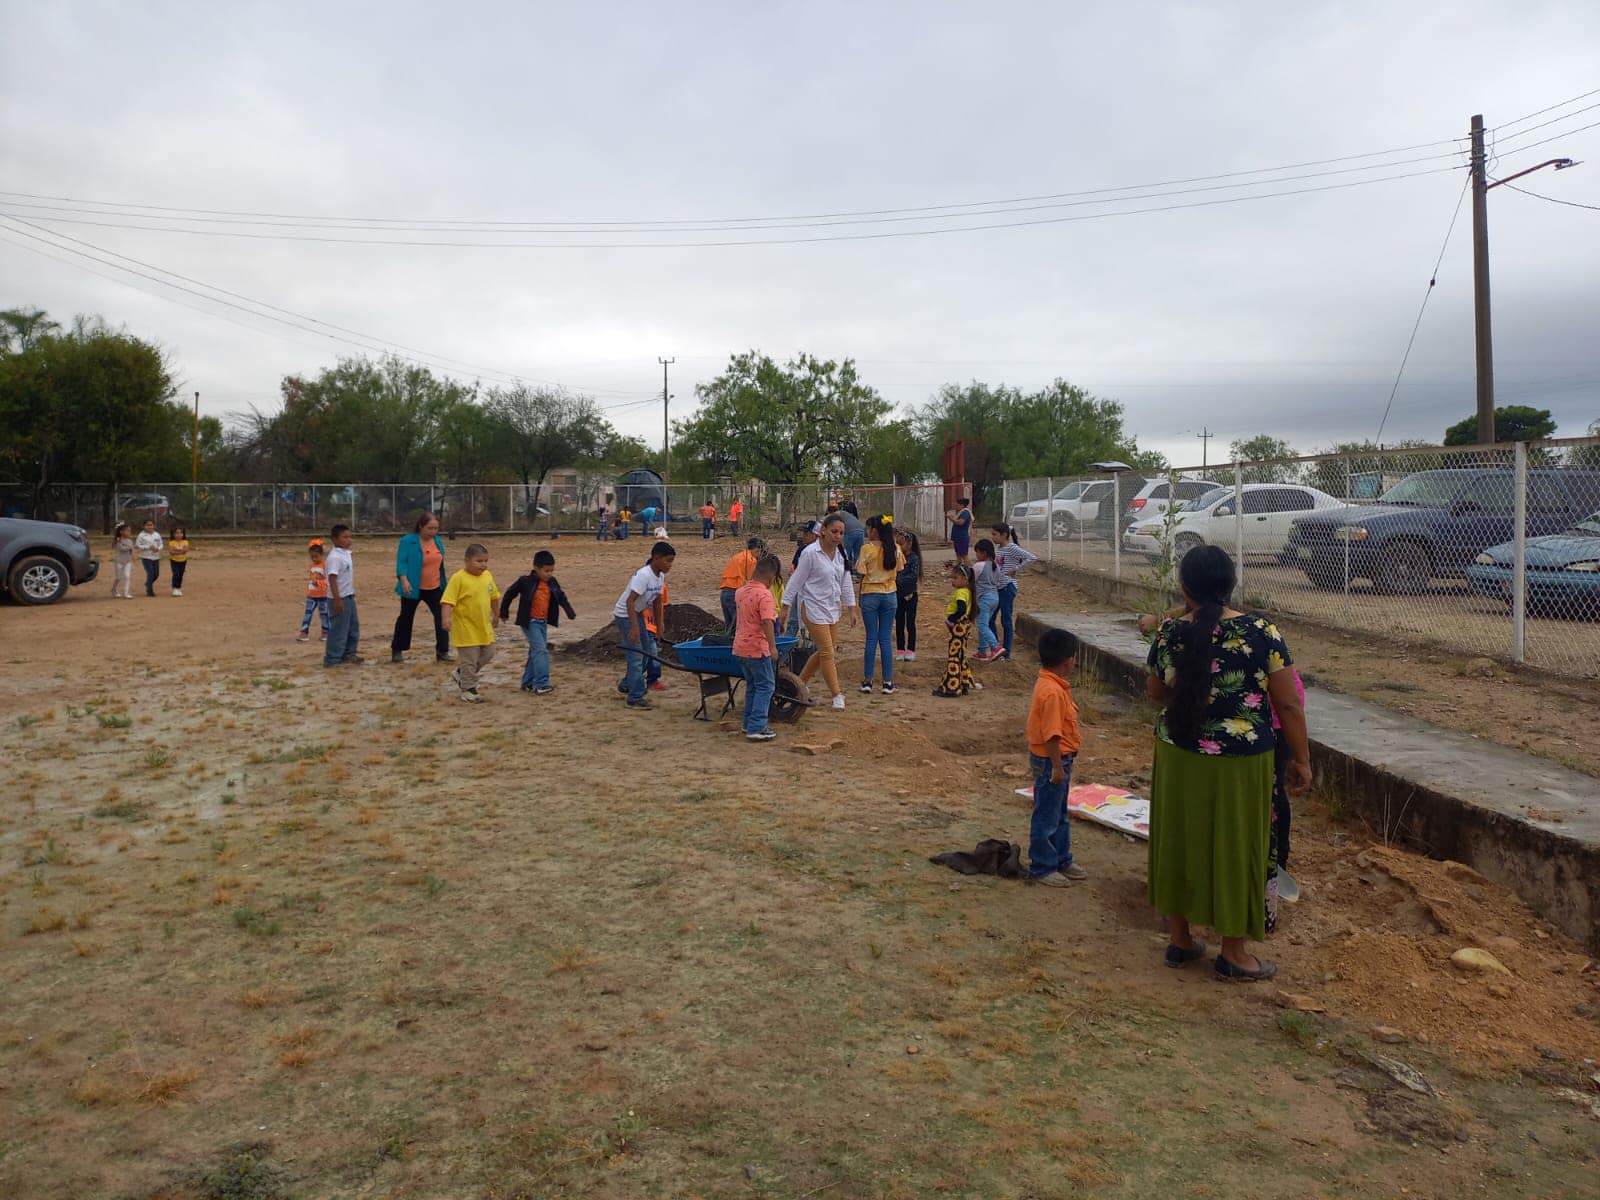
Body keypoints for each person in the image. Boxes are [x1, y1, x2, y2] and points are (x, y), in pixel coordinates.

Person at [1145, 546, 1311, 981]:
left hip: (1178, 754)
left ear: (1184, 587)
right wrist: (1303, 760)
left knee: (1179, 838)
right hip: (1241, 762)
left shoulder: (1168, 632)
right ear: (1231, 583)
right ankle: (1234, 953)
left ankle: (1180, 940)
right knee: (1239, 845)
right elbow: (1288, 703)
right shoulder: (1261, 631)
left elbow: (1156, 694)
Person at [1025, 628, 1086, 886]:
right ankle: (1043, 866)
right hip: (1052, 761)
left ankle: (1062, 858)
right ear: (1068, 661)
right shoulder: (1052, 692)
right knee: (1047, 815)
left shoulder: (1055, 686)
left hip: (1058, 760)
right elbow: (1051, 735)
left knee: (1059, 813)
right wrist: (1057, 768)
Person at [779, 513, 857, 711]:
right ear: (823, 531)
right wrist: (785, 606)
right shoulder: (810, 553)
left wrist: (851, 607)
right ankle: (837, 694)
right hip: (812, 606)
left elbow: (846, 581)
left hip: (832, 607)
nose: (837, 536)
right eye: (834, 531)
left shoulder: (841, 554)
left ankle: (799, 684)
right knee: (828, 652)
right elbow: (796, 581)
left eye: (841, 533)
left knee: (824, 651)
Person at [500, 549, 576, 695]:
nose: (549, 574)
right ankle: (541, 684)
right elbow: (510, 594)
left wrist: (569, 611)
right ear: (536, 568)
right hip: (529, 622)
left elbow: (560, 596)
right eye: (546, 571)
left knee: (535, 651)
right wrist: (504, 612)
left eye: (551, 571)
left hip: (542, 622)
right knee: (541, 650)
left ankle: (528, 682)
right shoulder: (525, 581)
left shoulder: (552, 582)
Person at [613, 541, 675, 710]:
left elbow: (657, 601)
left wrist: (659, 623)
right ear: (656, 558)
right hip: (626, 615)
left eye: (671, 561)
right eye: (667, 561)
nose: (670, 565)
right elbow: (629, 602)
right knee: (636, 656)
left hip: (638, 614)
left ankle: (627, 684)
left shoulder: (660, 576)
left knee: (648, 654)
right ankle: (635, 697)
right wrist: (634, 628)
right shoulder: (644, 575)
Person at [441, 543, 500, 702]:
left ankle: (461, 673)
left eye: (485, 561)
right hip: (465, 628)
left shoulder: (487, 576)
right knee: (470, 659)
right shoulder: (458, 578)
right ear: (466, 560)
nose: (483, 565)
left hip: (483, 626)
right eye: (479, 561)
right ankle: (468, 689)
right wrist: (445, 618)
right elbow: (448, 601)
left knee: (489, 652)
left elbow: (494, 597)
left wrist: (496, 614)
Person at [734, 552, 782, 741]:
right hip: (757, 647)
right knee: (766, 686)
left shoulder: (741, 591)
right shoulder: (765, 595)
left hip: (740, 647)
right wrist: (773, 647)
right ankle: (757, 726)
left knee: (753, 686)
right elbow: (767, 622)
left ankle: (748, 723)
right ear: (770, 578)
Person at [391, 512, 450, 665]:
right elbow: (401, 562)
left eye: (436, 528)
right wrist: (404, 580)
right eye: (430, 528)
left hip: (435, 587)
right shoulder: (408, 541)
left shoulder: (437, 540)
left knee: (442, 617)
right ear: (420, 526)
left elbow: (440, 563)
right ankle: (397, 650)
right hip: (413, 587)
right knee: (405, 617)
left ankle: (442, 651)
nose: (433, 532)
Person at [855, 515, 899, 695]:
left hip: (870, 595)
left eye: (869, 528)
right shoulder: (895, 548)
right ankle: (888, 682)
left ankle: (868, 681)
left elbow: (860, 571)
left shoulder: (867, 549)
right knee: (886, 639)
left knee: (871, 638)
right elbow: (899, 568)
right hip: (890, 595)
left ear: (874, 530)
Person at [990, 523, 1037, 660]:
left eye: (994, 534)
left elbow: (1032, 558)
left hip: (1007, 587)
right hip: (998, 588)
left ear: (1004, 535)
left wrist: (1017, 569)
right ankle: (997, 649)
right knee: (990, 619)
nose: (992, 537)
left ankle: (1007, 652)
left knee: (1006, 620)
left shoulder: (1011, 548)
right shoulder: (999, 548)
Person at [933, 563, 976, 698]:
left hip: (958, 626)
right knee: (961, 655)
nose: (952, 581)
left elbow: (961, 609)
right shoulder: (968, 591)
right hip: (965, 626)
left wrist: (951, 619)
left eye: (955, 578)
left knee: (954, 656)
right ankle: (964, 683)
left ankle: (952, 687)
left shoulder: (961, 592)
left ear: (964, 578)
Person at [323, 524, 362, 667]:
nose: (348, 540)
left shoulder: (346, 554)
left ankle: (349, 654)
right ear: (335, 539)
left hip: (349, 596)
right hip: (339, 598)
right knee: (339, 629)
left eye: (349, 536)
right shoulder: (334, 557)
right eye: (344, 537)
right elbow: (332, 579)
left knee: (353, 627)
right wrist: (337, 600)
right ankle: (332, 659)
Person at [717, 536, 766, 629]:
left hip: (725, 593)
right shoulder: (750, 560)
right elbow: (749, 582)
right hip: (734, 593)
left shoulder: (739, 556)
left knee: (730, 626)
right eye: (758, 551)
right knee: (739, 627)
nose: (759, 554)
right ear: (757, 549)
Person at [971, 539, 1003, 662]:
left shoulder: (979, 565)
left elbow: (970, 578)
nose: (977, 555)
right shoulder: (996, 567)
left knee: (982, 625)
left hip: (984, 598)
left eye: (977, 552)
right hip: (995, 598)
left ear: (984, 553)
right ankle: (982, 651)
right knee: (985, 624)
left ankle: (995, 647)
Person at [893, 527, 922, 662]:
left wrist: (897, 580)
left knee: (910, 623)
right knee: (899, 623)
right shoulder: (897, 557)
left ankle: (910, 649)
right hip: (897, 595)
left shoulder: (914, 558)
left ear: (909, 544)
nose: (898, 546)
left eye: (901, 544)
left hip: (910, 595)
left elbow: (913, 576)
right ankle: (900, 649)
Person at [786, 523, 818, 637]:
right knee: (794, 620)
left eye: (807, 534)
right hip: (800, 589)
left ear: (815, 535)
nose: (804, 536)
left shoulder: (821, 551)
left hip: (814, 592)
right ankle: (786, 647)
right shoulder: (802, 549)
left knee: (814, 621)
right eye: (804, 533)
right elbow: (794, 567)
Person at [297, 539, 331, 642]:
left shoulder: (325, 565)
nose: (314, 559)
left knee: (324, 614)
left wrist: (319, 583)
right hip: (311, 595)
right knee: (307, 613)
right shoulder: (311, 566)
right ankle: (304, 632)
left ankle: (326, 632)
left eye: (316, 556)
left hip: (323, 595)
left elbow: (328, 580)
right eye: (312, 557)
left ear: (322, 554)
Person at [135, 518, 163, 597]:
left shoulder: (157, 534)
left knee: (156, 574)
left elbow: (161, 544)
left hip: (156, 557)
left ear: (153, 525)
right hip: (146, 557)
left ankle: (148, 583)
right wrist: (147, 547)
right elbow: (137, 545)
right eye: (147, 525)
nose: (149, 526)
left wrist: (158, 548)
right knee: (150, 573)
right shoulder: (141, 535)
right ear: (144, 526)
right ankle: (149, 591)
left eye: (151, 525)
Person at [836, 504, 865, 571]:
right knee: (858, 554)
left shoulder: (840, 513)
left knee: (846, 553)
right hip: (860, 531)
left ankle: (847, 570)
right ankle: (857, 571)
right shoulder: (851, 516)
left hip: (850, 531)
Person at [947, 494, 973, 565]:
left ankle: (969, 571)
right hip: (958, 537)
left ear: (962, 505)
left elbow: (961, 522)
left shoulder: (965, 512)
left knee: (964, 555)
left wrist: (952, 519)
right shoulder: (960, 513)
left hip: (962, 537)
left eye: (957, 505)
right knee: (958, 555)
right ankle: (959, 570)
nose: (955, 507)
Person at [110, 522, 134, 599]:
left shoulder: (130, 541)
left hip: (128, 561)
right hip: (119, 561)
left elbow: (132, 549)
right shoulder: (117, 541)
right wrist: (128, 547)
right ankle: (114, 589)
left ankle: (126, 593)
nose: (129, 532)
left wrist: (129, 548)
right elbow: (121, 548)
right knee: (118, 577)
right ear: (121, 532)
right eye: (127, 531)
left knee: (127, 576)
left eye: (129, 531)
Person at [167, 525, 190, 596]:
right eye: (176, 533)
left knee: (180, 575)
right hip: (174, 561)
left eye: (180, 533)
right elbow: (171, 552)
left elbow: (186, 550)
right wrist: (181, 551)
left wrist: (177, 550)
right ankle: (175, 588)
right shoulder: (172, 542)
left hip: (183, 561)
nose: (179, 535)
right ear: (173, 534)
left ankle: (178, 588)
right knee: (176, 574)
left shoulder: (185, 542)